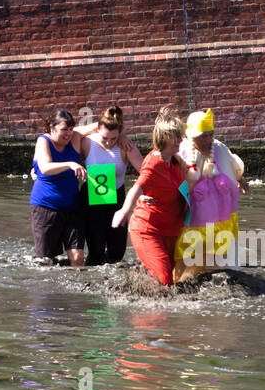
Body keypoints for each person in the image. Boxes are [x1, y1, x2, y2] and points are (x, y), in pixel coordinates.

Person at [112, 109, 199, 286]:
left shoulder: (175, 160)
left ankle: (141, 283)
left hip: (172, 229)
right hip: (149, 229)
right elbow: (137, 187)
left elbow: (193, 182)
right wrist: (124, 210)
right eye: (176, 137)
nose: (181, 141)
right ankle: (146, 311)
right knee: (164, 280)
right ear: (164, 138)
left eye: (180, 136)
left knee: (178, 280)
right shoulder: (154, 163)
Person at [173, 109, 247, 283]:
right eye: (202, 136)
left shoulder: (219, 148)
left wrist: (240, 179)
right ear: (191, 136)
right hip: (194, 223)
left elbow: (233, 166)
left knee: (224, 267)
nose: (207, 140)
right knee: (187, 269)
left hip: (222, 219)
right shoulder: (181, 152)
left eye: (210, 135)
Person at [76, 106, 144, 266]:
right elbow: (70, 134)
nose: (108, 142)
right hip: (91, 199)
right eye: (104, 137)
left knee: (117, 252)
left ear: (119, 134)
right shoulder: (88, 142)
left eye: (113, 139)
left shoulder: (125, 146)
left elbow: (145, 171)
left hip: (116, 199)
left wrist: (143, 194)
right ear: (98, 130)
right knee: (96, 251)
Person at [30, 109, 87, 266]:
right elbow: (45, 167)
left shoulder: (74, 138)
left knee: (77, 259)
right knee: (46, 261)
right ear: (51, 127)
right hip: (46, 207)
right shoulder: (43, 141)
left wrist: (121, 136)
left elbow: (101, 127)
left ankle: (77, 289)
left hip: (72, 208)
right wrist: (70, 164)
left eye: (70, 129)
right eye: (64, 130)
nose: (68, 134)